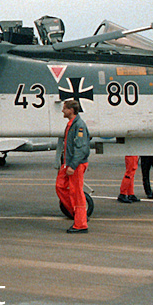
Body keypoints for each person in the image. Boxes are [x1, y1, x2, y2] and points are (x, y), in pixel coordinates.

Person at [55, 99, 91, 233]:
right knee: (60, 186)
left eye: (64, 108)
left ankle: (81, 224)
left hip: (75, 164)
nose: (63, 111)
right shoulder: (71, 125)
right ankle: (77, 214)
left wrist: (73, 165)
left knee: (77, 193)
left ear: (71, 110)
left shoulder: (79, 126)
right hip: (68, 163)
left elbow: (82, 149)